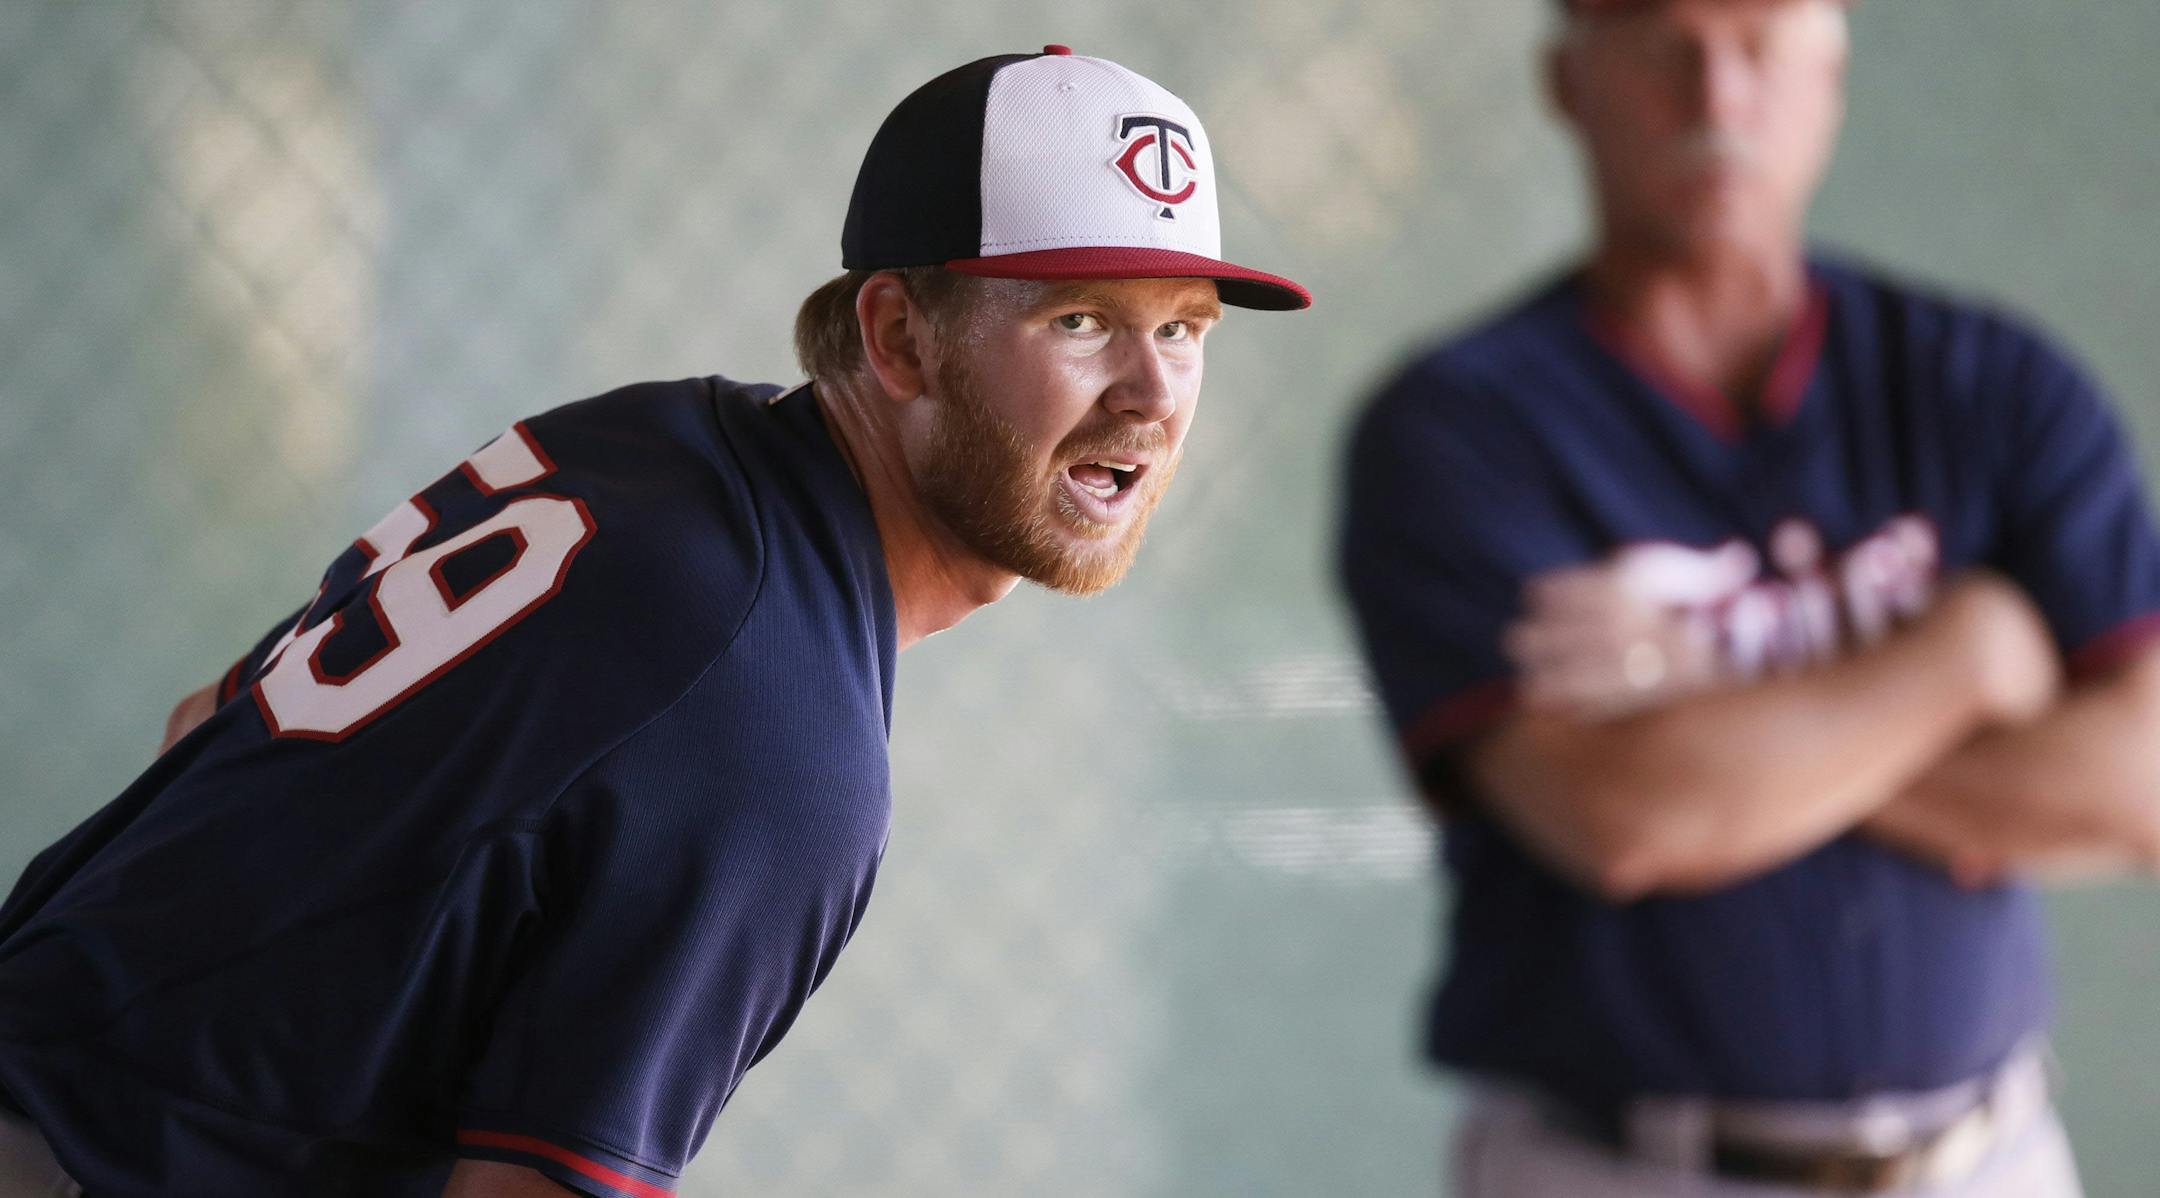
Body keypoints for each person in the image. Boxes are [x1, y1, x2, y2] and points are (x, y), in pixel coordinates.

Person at [0, 46, 1308, 1198]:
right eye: (1079, 318)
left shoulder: (653, 438)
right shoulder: (777, 733)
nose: (1150, 391)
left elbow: (206, 722)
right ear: (900, 338)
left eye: (1184, 329)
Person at [1337, 1, 2160, 1194]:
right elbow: (1623, 820)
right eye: (1669, 48)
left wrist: (1715, 696)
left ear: (1830, 80)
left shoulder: (1990, 383)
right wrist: (1966, 657)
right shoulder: (1462, 426)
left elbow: (2139, 787)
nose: (1719, 98)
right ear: (1570, 82)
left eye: (1761, 47)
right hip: (1620, 1165)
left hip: (1990, 1154)